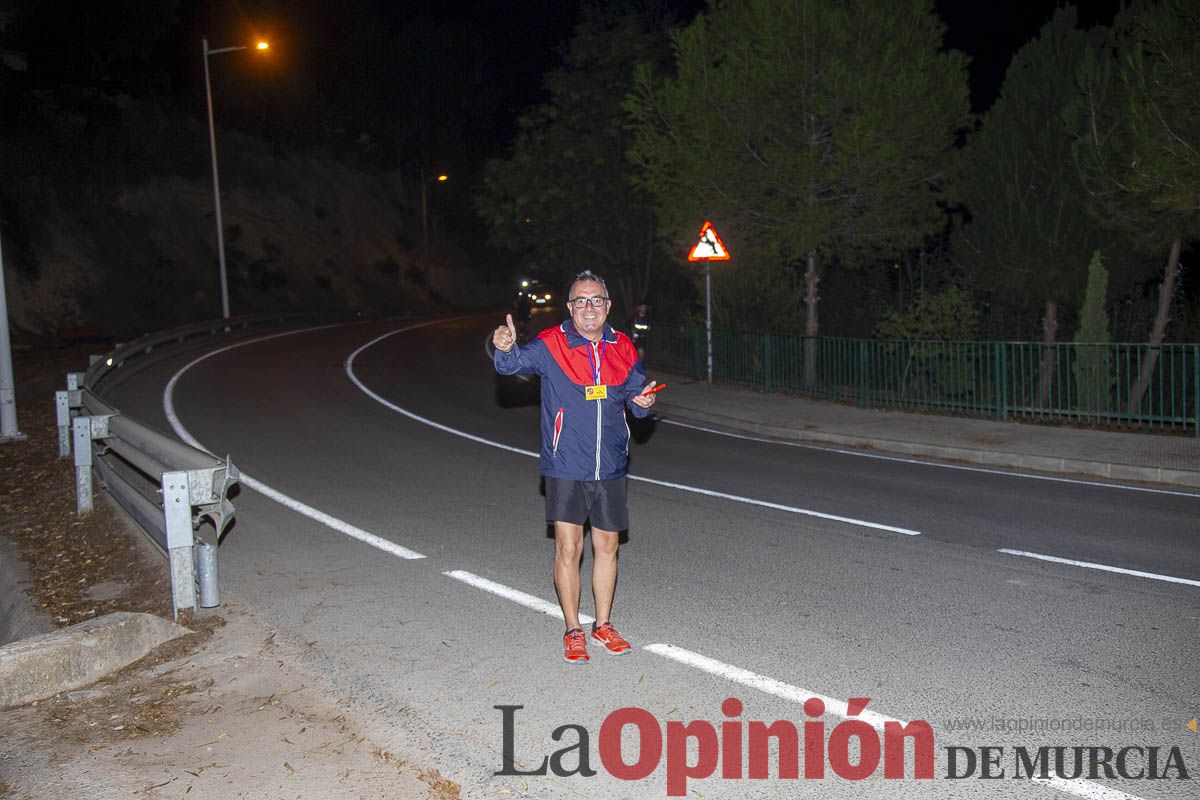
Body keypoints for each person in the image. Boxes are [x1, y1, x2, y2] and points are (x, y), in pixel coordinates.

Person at [492, 269, 657, 664]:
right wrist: (503, 346)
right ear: (570, 307)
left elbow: (634, 397)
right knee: (569, 547)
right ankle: (572, 630)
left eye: (596, 300)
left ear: (608, 307)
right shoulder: (552, 344)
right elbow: (510, 364)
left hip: (611, 464)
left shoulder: (623, 348)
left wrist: (644, 404)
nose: (588, 308)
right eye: (581, 300)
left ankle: (603, 624)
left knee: (608, 546)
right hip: (566, 463)